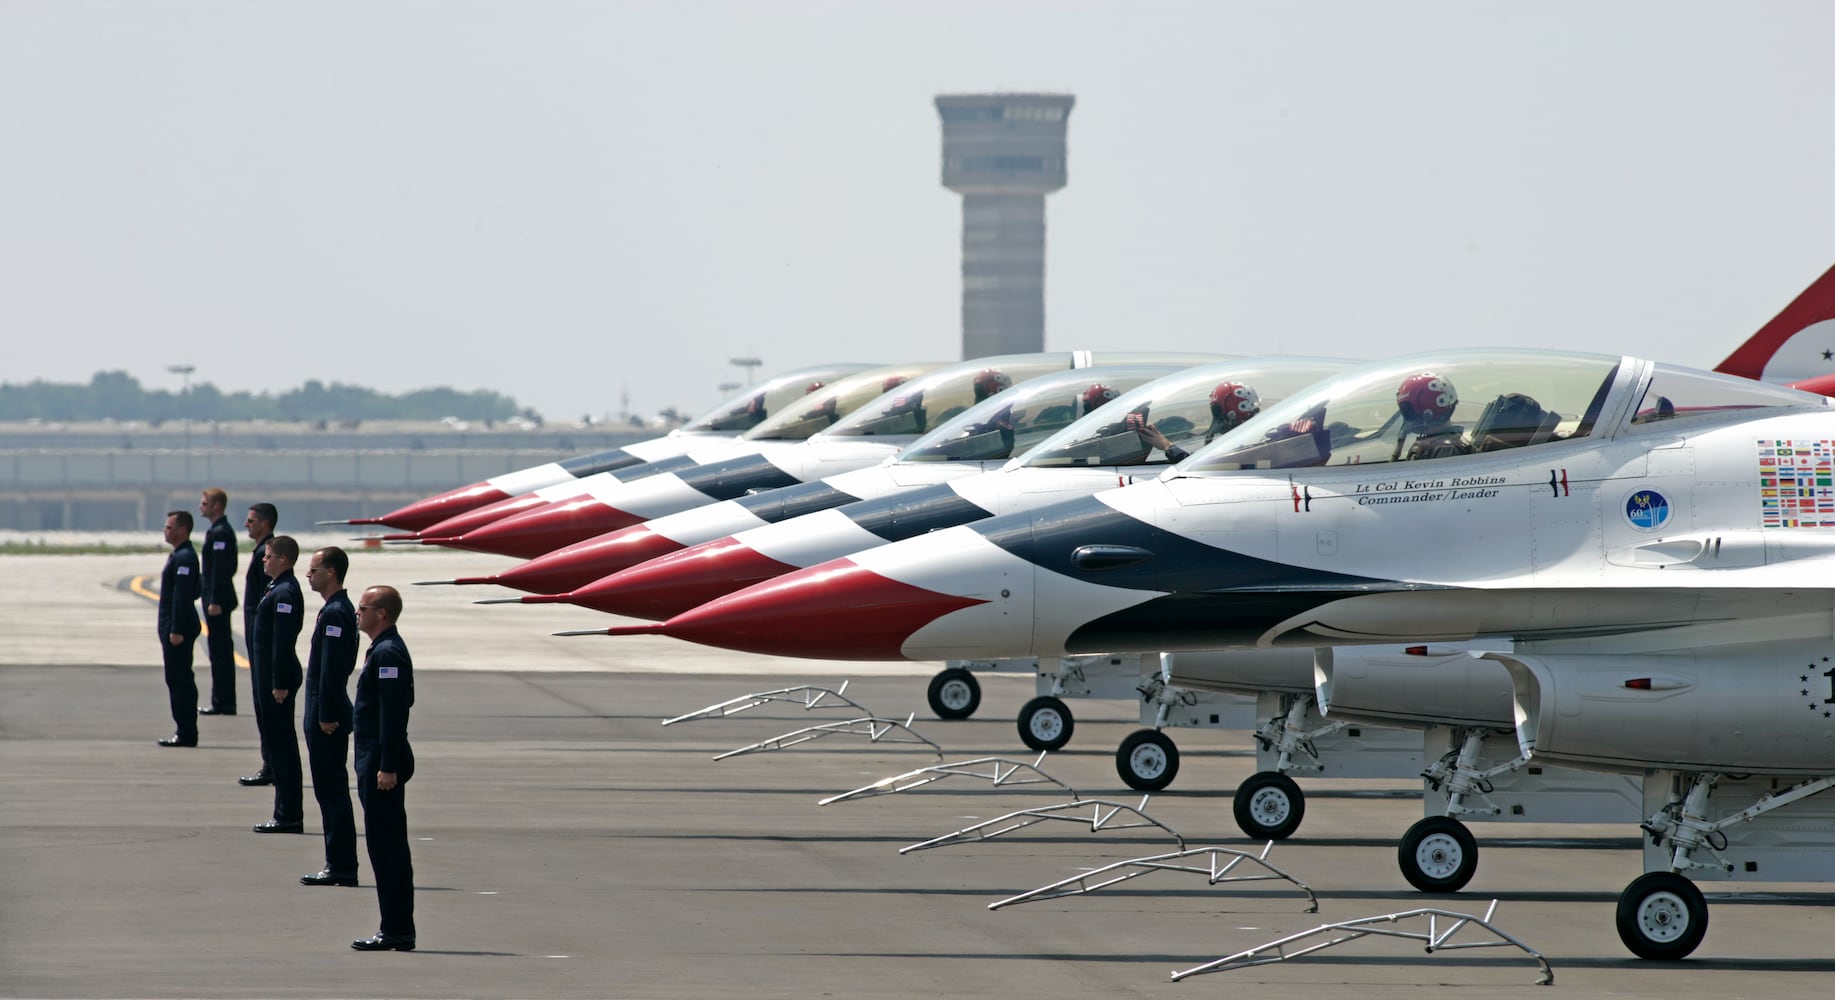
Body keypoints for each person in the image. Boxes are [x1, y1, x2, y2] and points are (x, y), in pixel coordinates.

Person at [351, 585, 416, 951]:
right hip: (375, 759)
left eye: (364, 607)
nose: (358, 612)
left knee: (387, 847)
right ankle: (395, 927)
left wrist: (388, 766)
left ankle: (396, 930)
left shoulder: (388, 652)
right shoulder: (383, 648)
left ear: (383, 614)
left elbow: (393, 714)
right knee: (383, 846)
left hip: (381, 764)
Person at [300, 546, 360, 886]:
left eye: (314, 569)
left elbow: (333, 671)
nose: (309, 574)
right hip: (324, 709)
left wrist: (325, 713)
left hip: (327, 715)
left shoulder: (337, 613)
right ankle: (338, 862)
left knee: (331, 789)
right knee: (329, 789)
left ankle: (340, 865)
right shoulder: (334, 610)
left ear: (331, 573)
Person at [250, 535, 305, 834]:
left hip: (276, 683)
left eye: (268, 556)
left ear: (283, 559)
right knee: (276, 745)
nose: (263, 559)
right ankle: (285, 812)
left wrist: (279, 682)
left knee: (281, 747)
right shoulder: (276, 588)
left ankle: (288, 814)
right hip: (269, 680)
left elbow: (282, 643)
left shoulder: (284, 593)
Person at [155, 511, 202, 747]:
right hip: (175, 625)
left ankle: (186, 732)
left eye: (170, 527)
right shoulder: (181, 555)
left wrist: (176, 629)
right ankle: (184, 729)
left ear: (183, 529)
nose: (166, 531)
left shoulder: (185, 558)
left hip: (178, 628)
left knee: (180, 679)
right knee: (176, 678)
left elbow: (183, 596)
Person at [239, 502, 278, 786]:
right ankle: (271, 763)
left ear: (265, 523)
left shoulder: (269, 554)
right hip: (257, 642)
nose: (246, 524)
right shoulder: (261, 552)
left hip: (262, 644)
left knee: (268, 711)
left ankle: (272, 765)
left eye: (251, 521)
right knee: (262, 709)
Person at [1132, 381, 1261, 463]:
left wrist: (1167, 446)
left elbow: (1198, 467)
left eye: (1218, 411)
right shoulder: (1245, 438)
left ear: (1231, 413)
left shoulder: (1239, 445)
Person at [197, 488, 239, 716]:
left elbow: (221, 570)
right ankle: (221, 700)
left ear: (216, 506)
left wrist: (214, 600)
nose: (200, 507)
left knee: (220, 652)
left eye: (204, 503)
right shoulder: (216, 531)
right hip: (216, 598)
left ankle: (223, 701)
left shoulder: (220, 533)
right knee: (218, 650)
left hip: (218, 601)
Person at [1394, 371, 1472, 461]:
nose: (1407, 418)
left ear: (1428, 414)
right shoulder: (1430, 444)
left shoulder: (1445, 449)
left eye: (1408, 411)